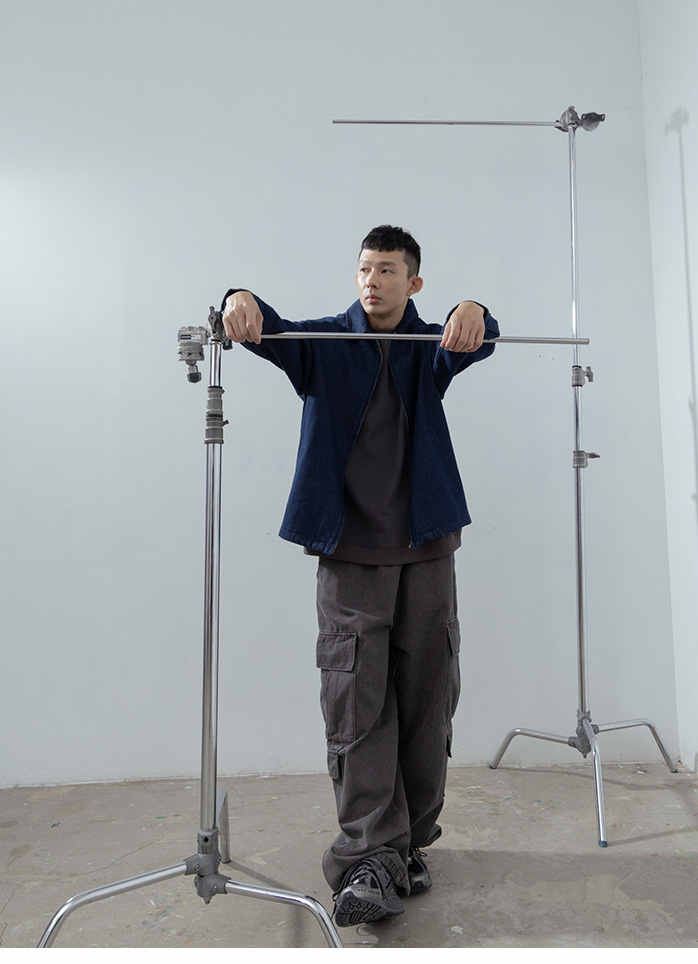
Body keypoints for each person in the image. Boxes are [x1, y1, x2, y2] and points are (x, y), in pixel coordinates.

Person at [222, 225, 498, 927]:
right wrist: (237, 296)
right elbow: (265, 328)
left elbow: (480, 338)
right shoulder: (324, 344)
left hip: (427, 550)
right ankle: (369, 858)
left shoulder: (429, 346)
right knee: (357, 703)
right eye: (365, 269)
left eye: (388, 270)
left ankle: (408, 844)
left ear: (414, 282)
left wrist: (475, 310)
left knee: (427, 702)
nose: (372, 281)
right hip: (350, 556)